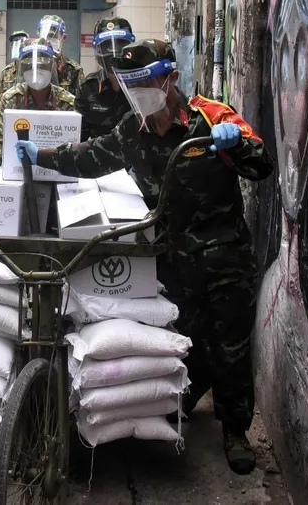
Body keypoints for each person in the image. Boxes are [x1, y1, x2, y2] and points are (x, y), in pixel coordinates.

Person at [14, 40, 272, 474]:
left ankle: (235, 430)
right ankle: (189, 394)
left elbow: (261, 163)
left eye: (145, 82)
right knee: (182, 339)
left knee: (231, 343)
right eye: (129, 84)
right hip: (173, 259)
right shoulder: (131, 132)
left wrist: (238, 145)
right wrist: (40, 155)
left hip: (225, 257)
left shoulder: (211, 118)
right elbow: (89, 157)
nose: (138, 92)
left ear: (169, 78)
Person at [0, 39, 75, 167]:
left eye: (42, 66)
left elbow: (74, 141)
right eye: (29, 66)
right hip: (18, 166)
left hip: (57, 169)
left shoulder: (68, 101)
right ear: (22, 69)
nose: (35, 71)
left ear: (51, 68)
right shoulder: (11, 98)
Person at [75, 17, 135, 141]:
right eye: (106, 45)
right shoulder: (88, 88)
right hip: (99, 157)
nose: (114, 52)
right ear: (97, 50)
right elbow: (79, 137)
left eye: (120, 44)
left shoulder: (144, 84)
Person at [37, 14, 83, 95]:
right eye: (44, 34)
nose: (47, 40)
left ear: (63, 37)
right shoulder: (31, 64)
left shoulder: (73, 70)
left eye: (53, 35)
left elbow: (80, 102)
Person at [0, 30, 31, 123]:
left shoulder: (32, 70)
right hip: (10, 119)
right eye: (15, 42)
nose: (18, 45)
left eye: (21, 41)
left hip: (30, 118)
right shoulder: (6, 72)